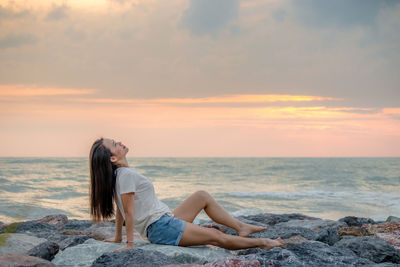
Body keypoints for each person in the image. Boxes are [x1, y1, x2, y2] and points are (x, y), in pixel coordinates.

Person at [89, 137, 283, 253]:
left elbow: (120, 210)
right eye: (115, 144)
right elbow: (128, 213)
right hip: (160, 227)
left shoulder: (118, 176)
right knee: (215, 236)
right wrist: (129, 244)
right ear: (113, 158)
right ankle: (263, 243)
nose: (120, 142)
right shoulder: (126, 175)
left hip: (163, 221)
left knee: (201, 196)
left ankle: (241, 227)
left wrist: (117, 238)